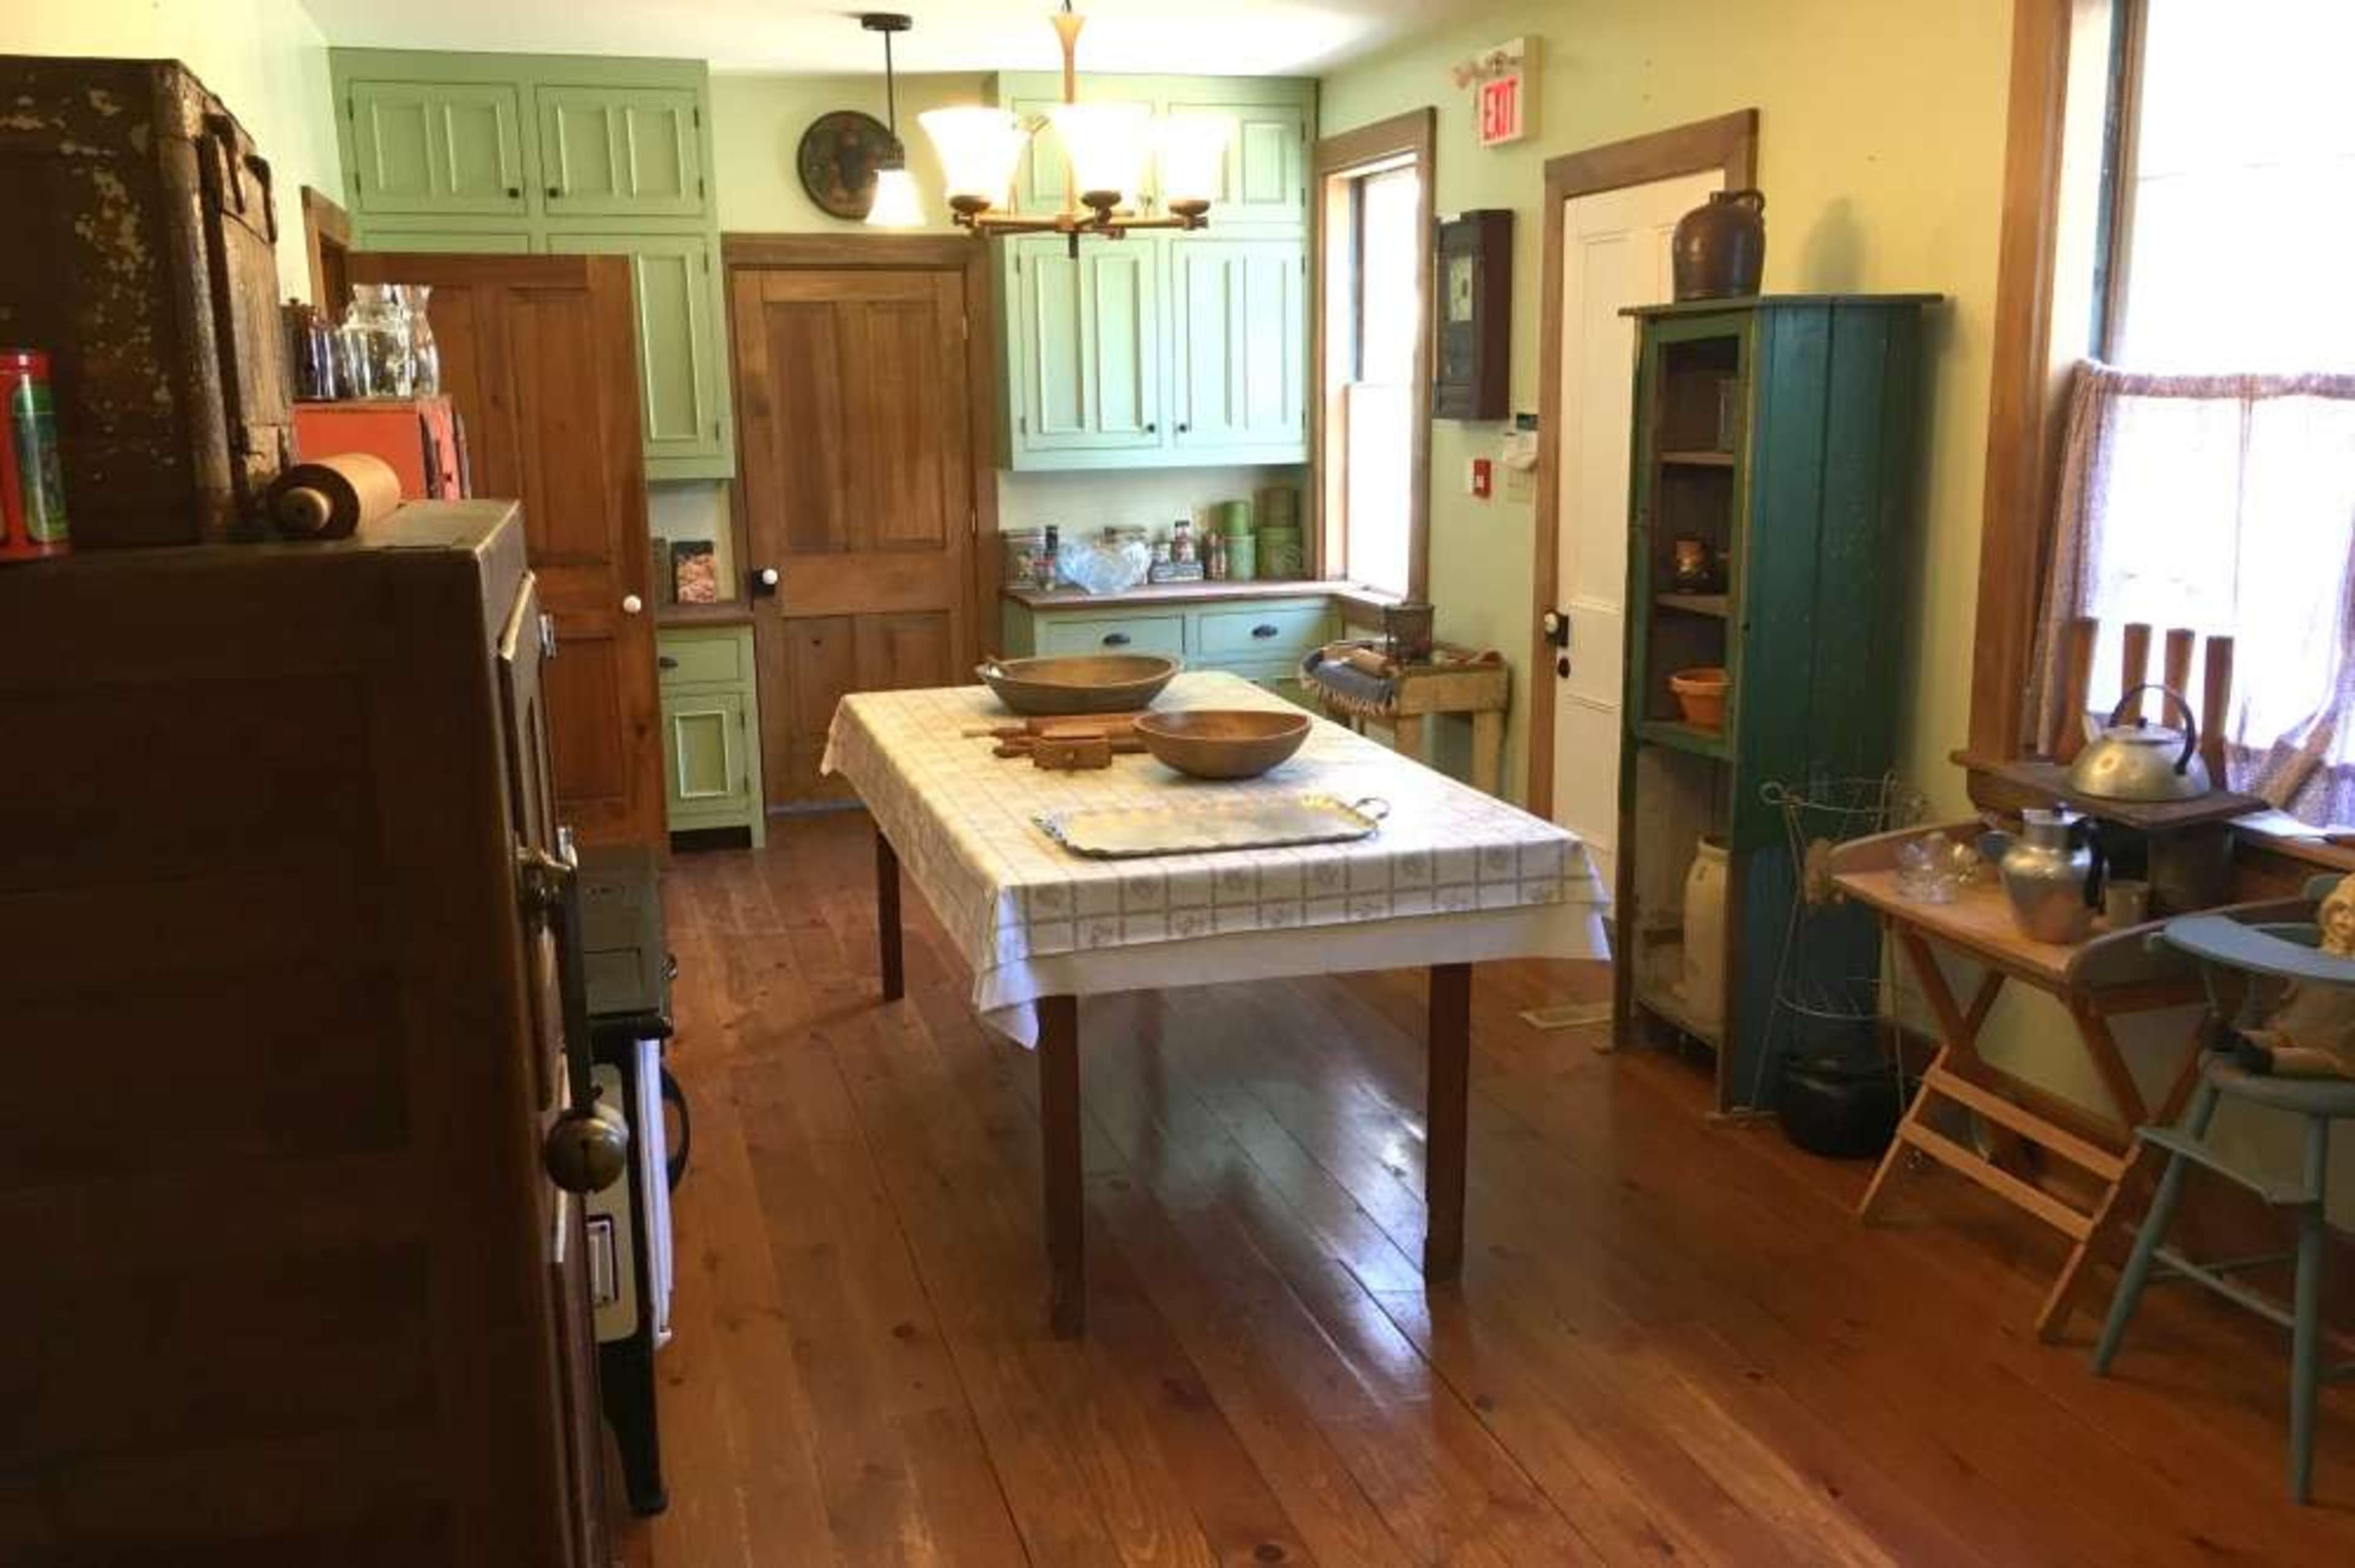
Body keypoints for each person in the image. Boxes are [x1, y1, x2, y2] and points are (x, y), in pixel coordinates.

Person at [2226, 872, 2355, 1079]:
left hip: (2344, 1043)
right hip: (2314, 996)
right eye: (2341, 912)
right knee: (2288, 1030)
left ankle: (2272, 1060)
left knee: (2335, 1055)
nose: (2344, 920)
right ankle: (2242, 1040)